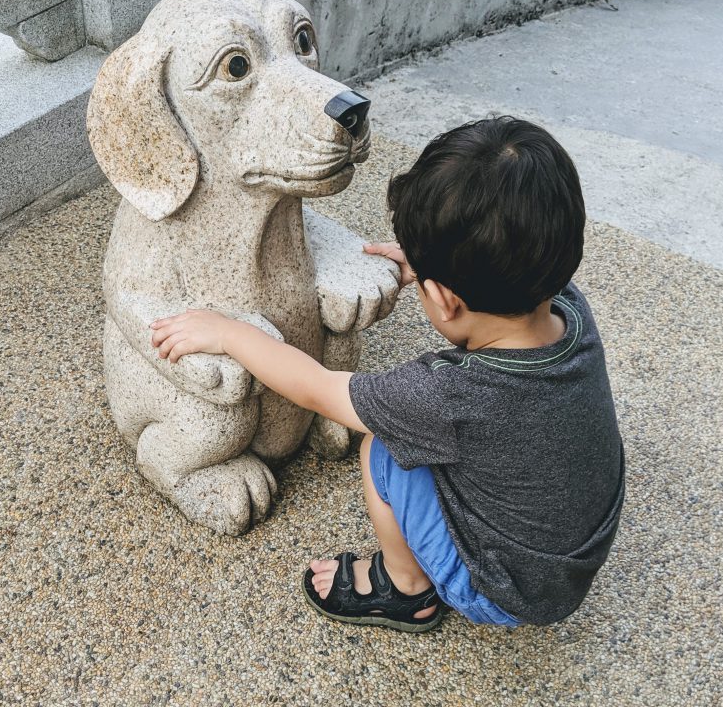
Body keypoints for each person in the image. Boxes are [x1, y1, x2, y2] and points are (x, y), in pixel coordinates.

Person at [150, 116, 625, 632]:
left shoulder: (447, 394)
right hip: (570, 557)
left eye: (424, 281)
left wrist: (229, 334)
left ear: (445, 299)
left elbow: (319, 388)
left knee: (383, 450)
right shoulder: (569, 309)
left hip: (506, 591)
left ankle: (407, 591)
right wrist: (436, 265)